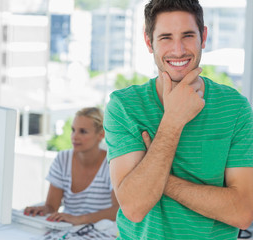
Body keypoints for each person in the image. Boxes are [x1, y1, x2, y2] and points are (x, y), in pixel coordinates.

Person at [104, 0, 253, 239]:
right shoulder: (124, 107)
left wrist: (161, 179)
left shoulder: (235, 108)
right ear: (148, 42)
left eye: (187, 35)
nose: (178, 50)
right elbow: (134, 207)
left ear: (203, 37)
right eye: (165, 37)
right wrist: (172, 121)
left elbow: (243, 212)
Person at [24, 107, 119, 225]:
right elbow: (52, 207)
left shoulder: (111, 164)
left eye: (83, 131)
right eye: (73, 130)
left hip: (100, 231)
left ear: (101, 135)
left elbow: (118, 210)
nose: (74, 136)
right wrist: (43, 209)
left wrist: (80, 219)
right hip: (68, 228)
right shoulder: (62, 159)